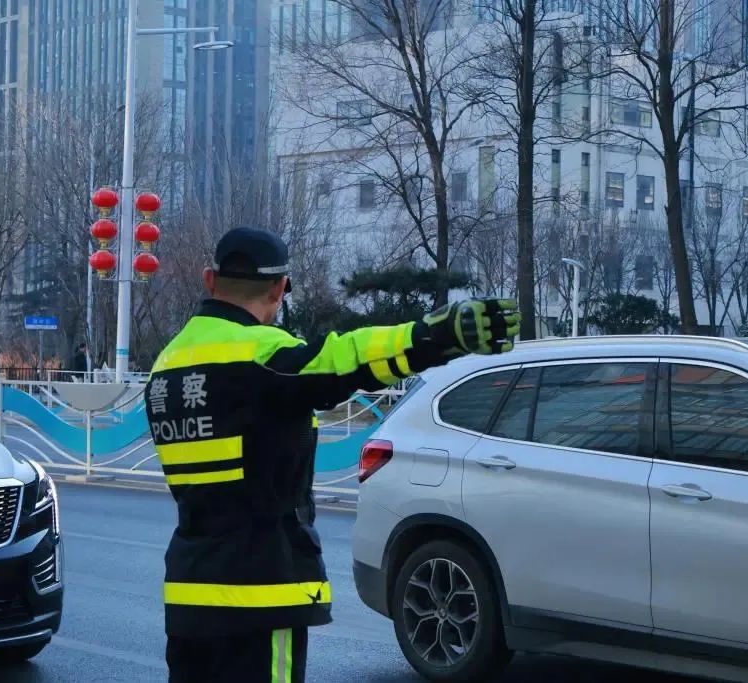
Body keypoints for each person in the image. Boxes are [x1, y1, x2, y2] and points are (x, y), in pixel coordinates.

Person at [145, 227, 521, 683]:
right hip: (260, 593)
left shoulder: (167, 364)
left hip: (189, 591)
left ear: (209, 280)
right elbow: (347, 358)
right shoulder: (263, 355)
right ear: (281, 288)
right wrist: (436, 336)